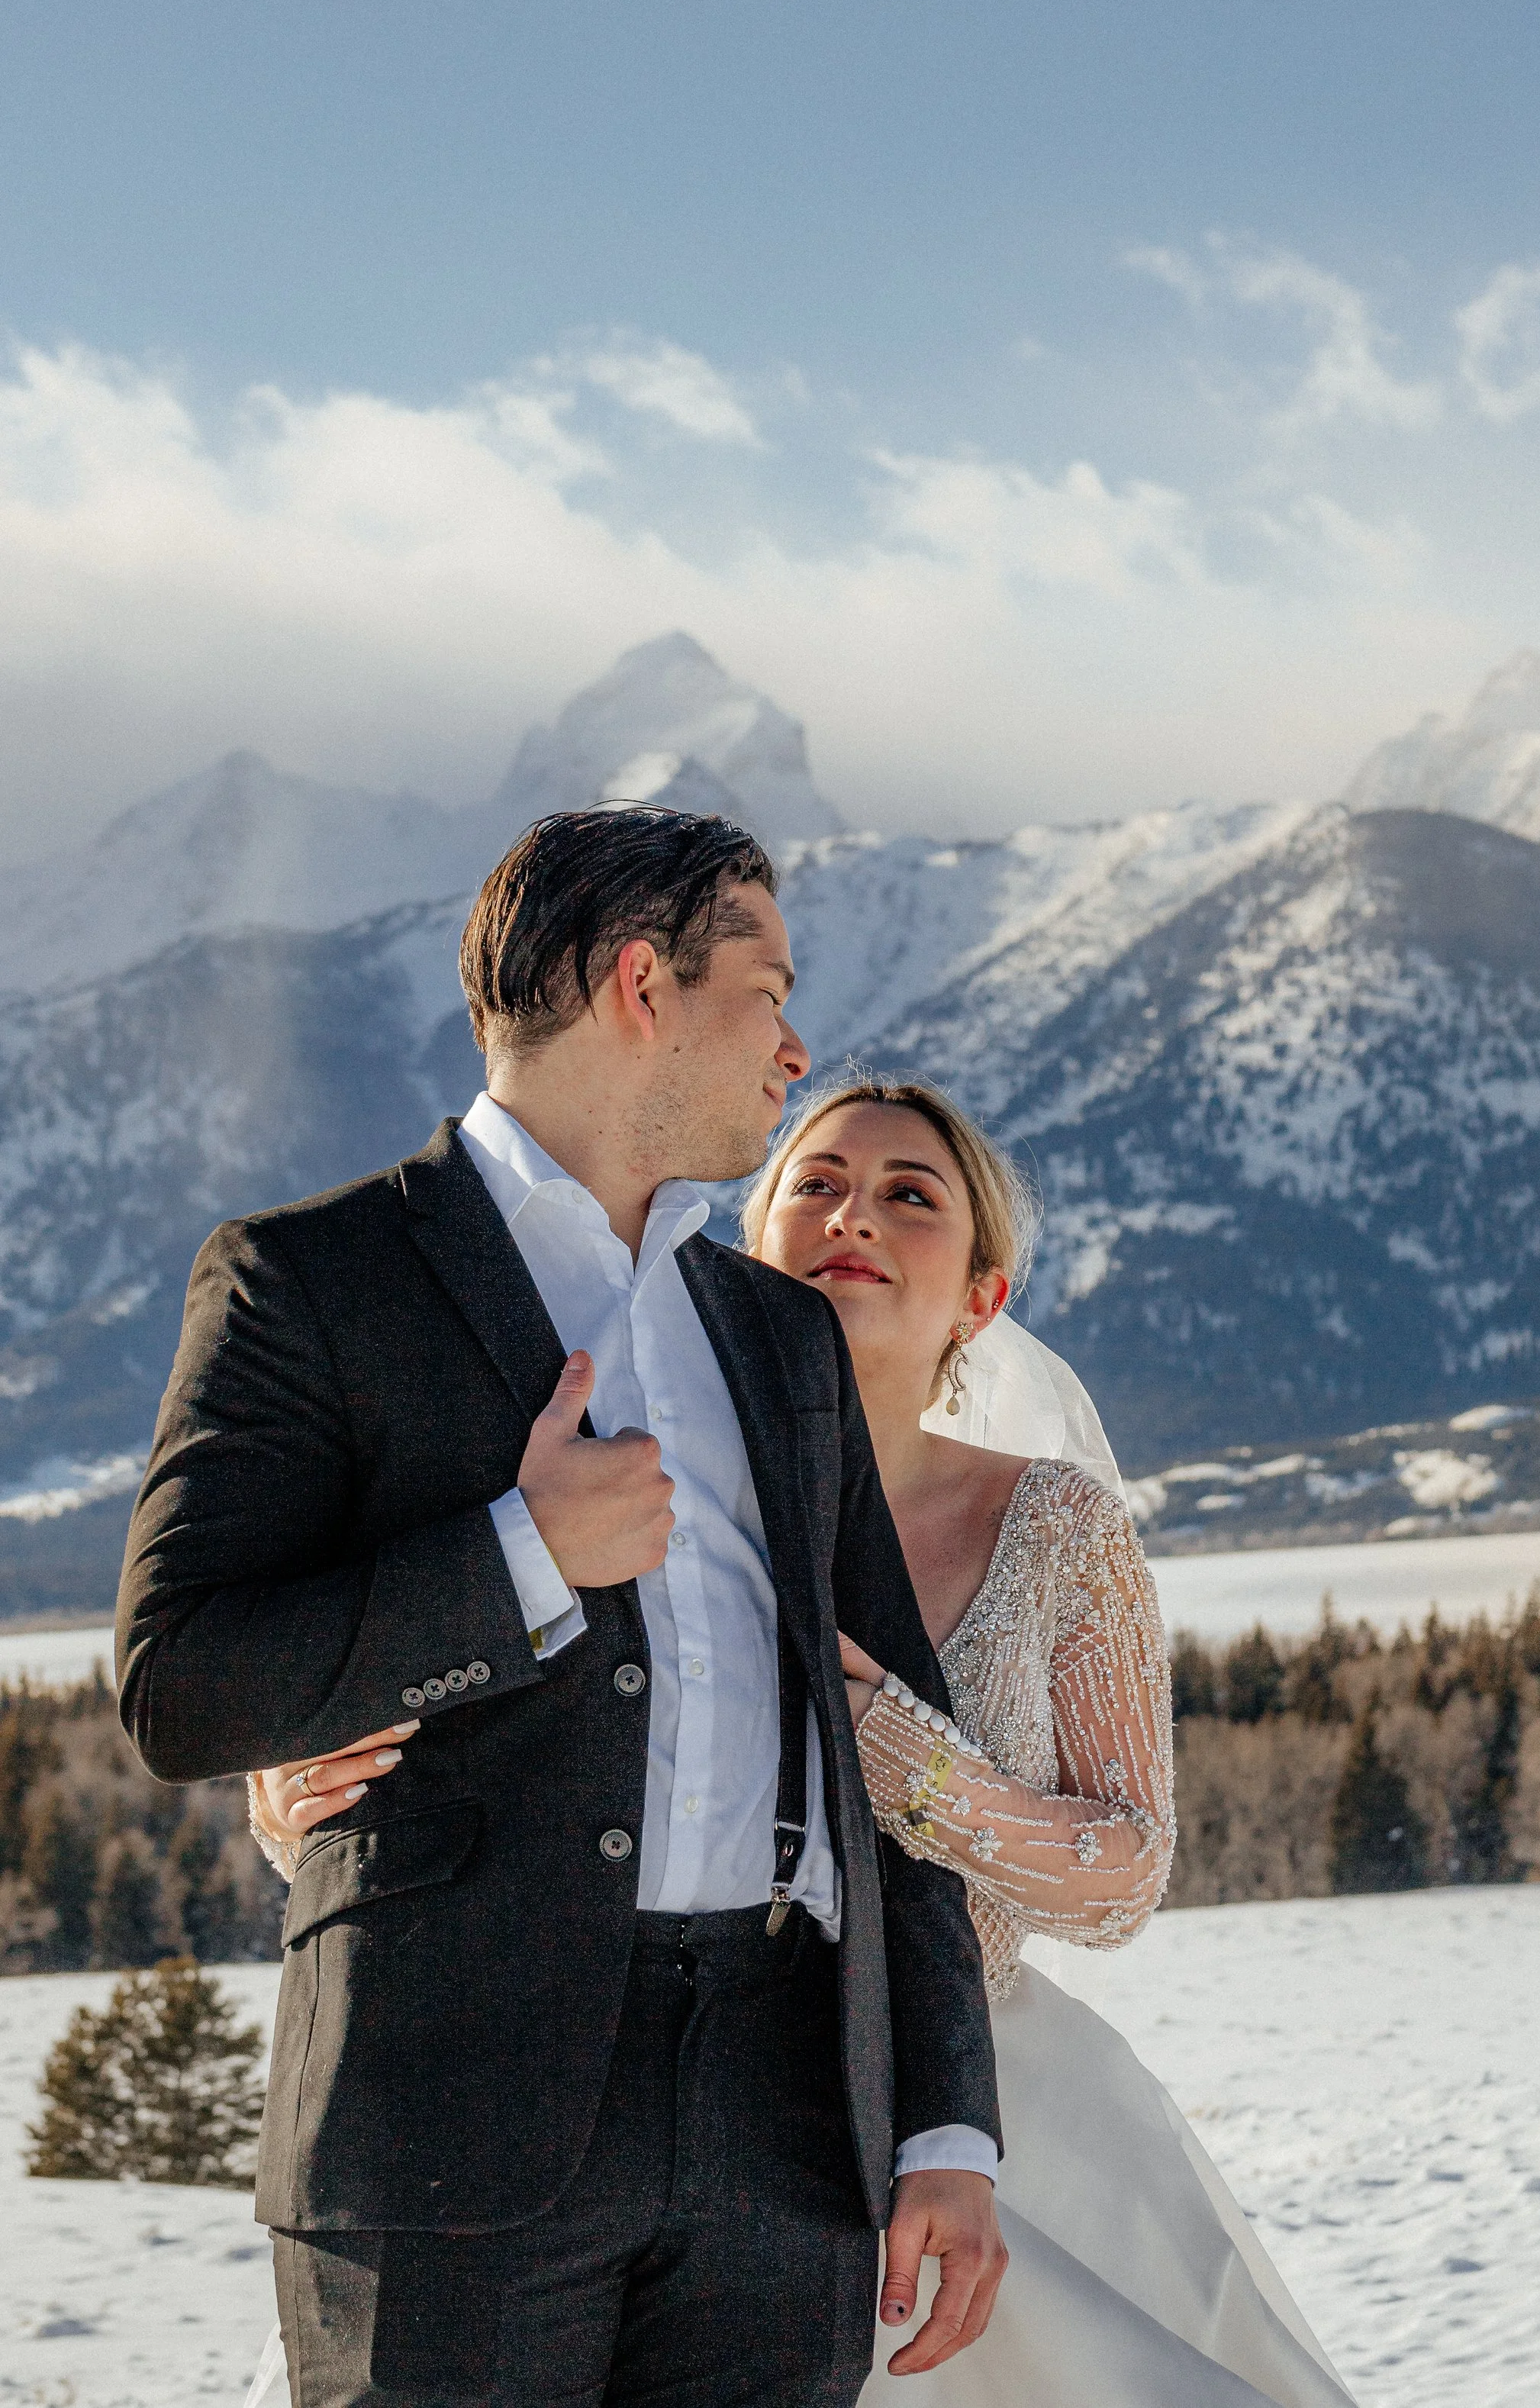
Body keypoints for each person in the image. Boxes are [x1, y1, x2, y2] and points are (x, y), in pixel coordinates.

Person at [259, 1072, 1356, 2408]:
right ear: (740, 1257)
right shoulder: (625, 1470)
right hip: (603, 2105)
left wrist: (900, 1755)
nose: (856, 1217)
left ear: (982, 1296)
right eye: (815, 1186)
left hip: (992, 2117)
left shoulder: (1059, 1526)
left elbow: (1125, 1871)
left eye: (912, 1197)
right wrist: (303, 1787)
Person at [116, 808, 1006, 2408]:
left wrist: (940, 2124)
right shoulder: (305, 1282)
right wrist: (523, 1551)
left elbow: (894, 1738)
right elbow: (183, 1685)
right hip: (443, 2126)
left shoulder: (776, 1333)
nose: (794, 1045)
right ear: (639, 988)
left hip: (783, 2128)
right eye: (766, 989)